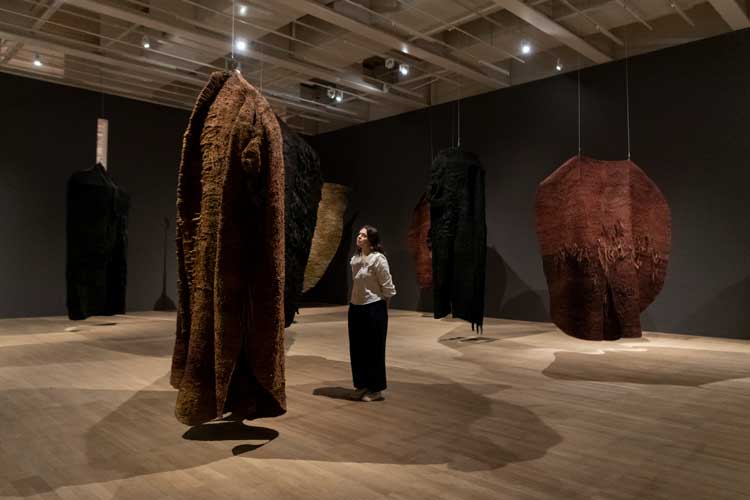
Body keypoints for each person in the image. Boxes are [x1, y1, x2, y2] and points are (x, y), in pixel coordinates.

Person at [348, 225, 397, 402]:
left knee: (374, 349)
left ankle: (375, 390)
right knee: (357, 348)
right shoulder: (355, 259)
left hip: (374, 307)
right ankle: (361, 385)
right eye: (358, 235)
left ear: (371, 239)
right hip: (356, 307)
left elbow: (388, 287)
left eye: (363, 235)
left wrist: (384, 311)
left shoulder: (378, 259)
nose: (359, 237)